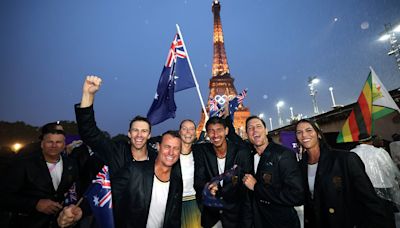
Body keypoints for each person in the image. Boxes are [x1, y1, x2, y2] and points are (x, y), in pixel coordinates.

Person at [58, 130, 183, 228]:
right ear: (158, 147)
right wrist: (80, 211)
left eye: (176, 148)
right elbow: (107, 192)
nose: (171, 152)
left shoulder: (177, 181)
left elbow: (174, 218)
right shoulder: (134, 170)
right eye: (167, 146)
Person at [295, 118, 389, 228]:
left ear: (318, 134)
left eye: (309, 130)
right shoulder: (300, 166)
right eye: (299, 132)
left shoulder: (345, 159)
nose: (304, 135)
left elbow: (369, 200)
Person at [228, 115, 304, 228]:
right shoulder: (249, 156)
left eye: (258, 126)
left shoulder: (283, 155)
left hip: (281, 223)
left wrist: (256, 187)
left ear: (266, 131)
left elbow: (296, 195)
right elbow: (234, 139)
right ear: (246, 135)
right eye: (250, 128)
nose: (255, 130)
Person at [75, 75, 157, 177]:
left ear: (149, 135)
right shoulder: (115, 154)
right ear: (129, 133)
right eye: (135, 130)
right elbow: (89, 132)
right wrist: (88, 95)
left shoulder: (157, 158)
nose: (139, 135)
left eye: (144, 131)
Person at [1, 122, 79, 228]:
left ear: (64, 145)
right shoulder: (23, 163)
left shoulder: (72, 165)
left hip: (58, 224)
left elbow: (73, 192)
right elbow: (4, 196)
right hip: (26, 223)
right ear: (42, 144)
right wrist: (35, 204)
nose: (54, 145)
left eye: (58, 142)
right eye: (50, 142)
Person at [193, 116, 252, 228]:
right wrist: (207, 187)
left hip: (236, 218)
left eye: (219, 130)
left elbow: (246, 191)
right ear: (207, 134)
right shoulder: (201, 151)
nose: (215, 135)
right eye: (211, 131)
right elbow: (198, 180)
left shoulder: (241, 153)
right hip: (212, 217)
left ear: (226, 131)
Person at [351, 133, 400, 228]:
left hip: (364, 189)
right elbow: (390, 170)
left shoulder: (352, 153)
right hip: (384, 188)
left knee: (371, 216)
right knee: (387, 214)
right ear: (371, 140)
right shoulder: (380, 152)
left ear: (359, 141)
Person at [179, 119, 201, 228]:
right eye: (185, 129)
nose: (188, 132)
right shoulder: (170, 155)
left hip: (194, 203)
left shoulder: (200, 154)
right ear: (179, 132)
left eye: (191, 129)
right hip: (174, 203)